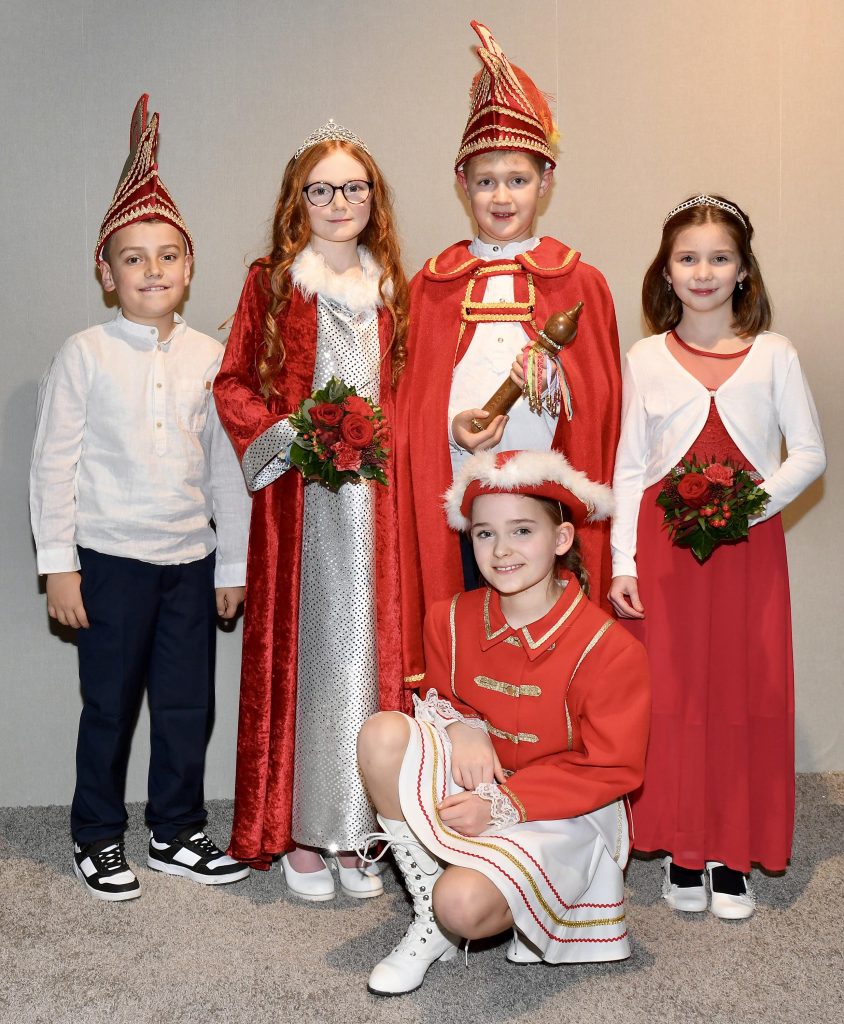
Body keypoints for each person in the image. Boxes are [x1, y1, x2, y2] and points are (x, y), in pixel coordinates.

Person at [29, 95, 251, 901]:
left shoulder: (210, 356)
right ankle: (96, 834)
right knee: (110, 708)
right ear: (105, 271)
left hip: (188, 561)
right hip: (109, 562)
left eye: (167, 256)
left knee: (189, 705)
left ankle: (177, 831)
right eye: (133, 257)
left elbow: (227, 466)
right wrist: (59, 565)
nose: (151, 270)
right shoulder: (84, 354)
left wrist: (233, 561)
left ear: (190, 267)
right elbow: (53, 464)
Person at [357, 449, 650, 996]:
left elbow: (614, 769)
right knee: (382, 733)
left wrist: (505, 803)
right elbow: (442, 694)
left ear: (561, 539)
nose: (503, 550)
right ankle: (427, 914)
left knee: (462, 905)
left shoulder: (610, 649)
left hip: (563, 807)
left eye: (522, 530)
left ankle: (454, 905)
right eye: (485, 534)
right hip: (479, 777)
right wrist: (461, 723)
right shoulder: (448, 616)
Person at [609, 194, 826, 919]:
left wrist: (747, 507)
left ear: (742, 272)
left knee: (743, 694)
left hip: (746, 548)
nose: (703, 271)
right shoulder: (643, 358)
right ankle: (681, 847)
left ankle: (733, 853)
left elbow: (811, 456)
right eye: (688, 258)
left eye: (719, 257)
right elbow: (630, 468)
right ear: (667, 273)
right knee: (673, 697)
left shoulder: (776, 354)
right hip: (664, 554)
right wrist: (621, 563)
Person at [213, 120, 410, 900]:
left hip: (379, 507)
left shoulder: (397, 286)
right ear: (300, 199)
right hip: (301, 502)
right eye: (322, 189)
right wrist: (290, 432)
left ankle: (361, 830)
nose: (338, 202)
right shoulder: (271, 282)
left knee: (368, 657)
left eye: (353, 188)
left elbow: (416, 392)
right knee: (305, 658)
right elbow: (232, 384)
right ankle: (299, 829)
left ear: (373, 199)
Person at [397, 21, 622, 689]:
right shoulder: (431, 283)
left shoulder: (579, 280)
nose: (502, 196)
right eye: (487, 180)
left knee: (549, 639)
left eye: (517, 179)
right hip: (466, 498)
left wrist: (554, 381)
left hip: (546, 500)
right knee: (471, 637)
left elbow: (605, 401)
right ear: (462, 184)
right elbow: (410, 401)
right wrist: (451, 427)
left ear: (544, 181)